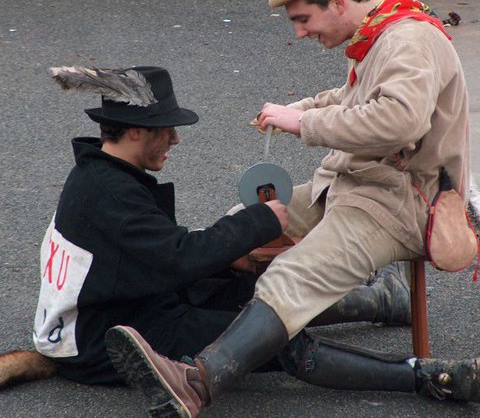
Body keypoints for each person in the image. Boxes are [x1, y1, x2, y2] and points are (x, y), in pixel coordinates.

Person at [103, 0, 480, 417]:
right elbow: (351, 95)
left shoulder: (409, 41)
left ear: (338, 2)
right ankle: (365, 303)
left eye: (303, 19)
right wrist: (300, 108)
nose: (301, 33)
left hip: (398, 204)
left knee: (291, 275)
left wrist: (303, 125)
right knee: (244, 224)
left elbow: (398, 122)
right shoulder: (382, 29)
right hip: (353, 186)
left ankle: (198, 381)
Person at [0, 64, 409, 388]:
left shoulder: (100, 175)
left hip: (127, 305)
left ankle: (381, 302)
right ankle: (423, 378)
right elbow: (180, 257)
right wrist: (261, 220)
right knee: (270, 336)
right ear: (137, 131)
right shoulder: (108, 192)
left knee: (265, 294)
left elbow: (152, 257)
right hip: (104, 338)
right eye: (167, 130)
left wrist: (232, 259)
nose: (175, 140)